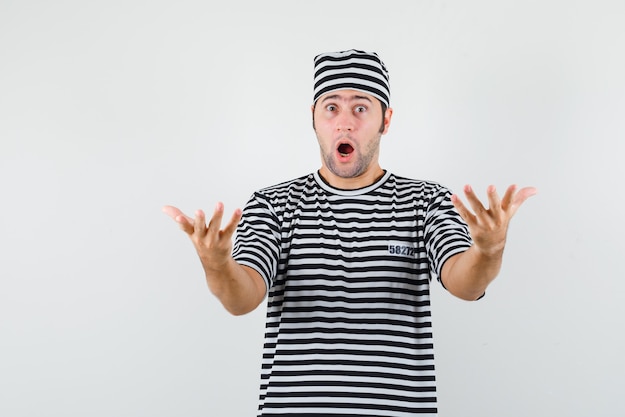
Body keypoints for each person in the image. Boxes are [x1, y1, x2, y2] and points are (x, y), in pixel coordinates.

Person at [163, 49, 536, 416]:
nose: (345, 123)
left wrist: (489, 250)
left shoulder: (426, 201)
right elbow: (241, 299)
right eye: (331, 108)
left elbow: (464, 284)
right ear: (313, 118)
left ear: (385, 120)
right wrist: (216, 264)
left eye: (360, 108)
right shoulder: (273, 205)